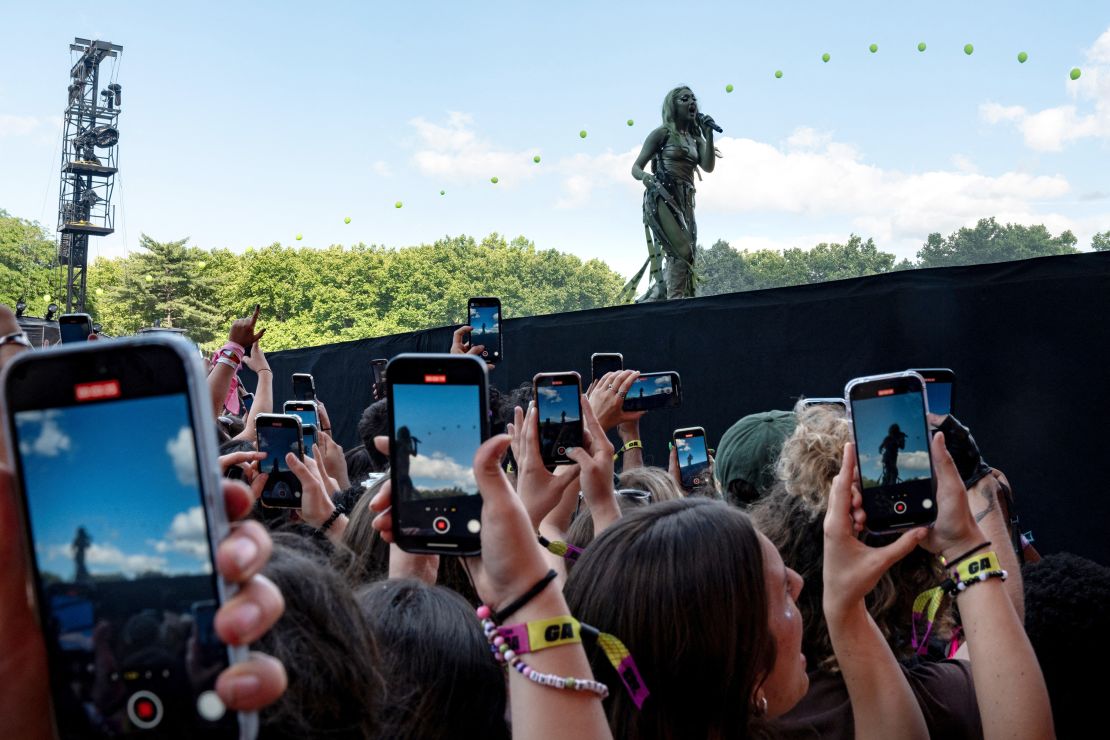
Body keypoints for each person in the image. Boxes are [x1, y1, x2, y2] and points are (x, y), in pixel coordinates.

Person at [627, 85, 718, 301]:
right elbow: (636, 167)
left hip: (685, 200)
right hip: (662, 195)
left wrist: (708, 134)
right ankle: (675, 300)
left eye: (693, 98)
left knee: (687, 254)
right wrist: (645, 178)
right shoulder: (662, 133)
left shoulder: (696, 139)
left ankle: (658, 295)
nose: (691, 102)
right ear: (672, 106)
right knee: (682, 251)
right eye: (684, 99)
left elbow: (708, 166)